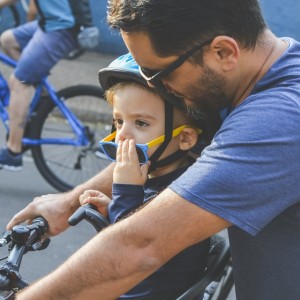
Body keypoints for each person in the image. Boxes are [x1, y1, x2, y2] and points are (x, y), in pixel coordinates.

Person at [7, 0, 300, 299]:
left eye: (158, 73)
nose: (155, 86)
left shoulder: (279, 119)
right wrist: (68, 203)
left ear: (223, 52)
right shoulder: (249, 82)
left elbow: (140, 246)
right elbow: (148, 150)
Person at [78, 53, 213, 299]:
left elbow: (125, 250)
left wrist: (125, 191)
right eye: (119, 122)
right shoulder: (165, 181)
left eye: (140, 123)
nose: (122, 136)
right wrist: (116, 205)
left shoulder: (178, 197)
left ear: (185, 138)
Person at [0, 0, 93, 170]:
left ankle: (13, 152)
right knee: (8, 40)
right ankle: (42, 98)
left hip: (62, 28)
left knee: (19, 82)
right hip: (49, 23)